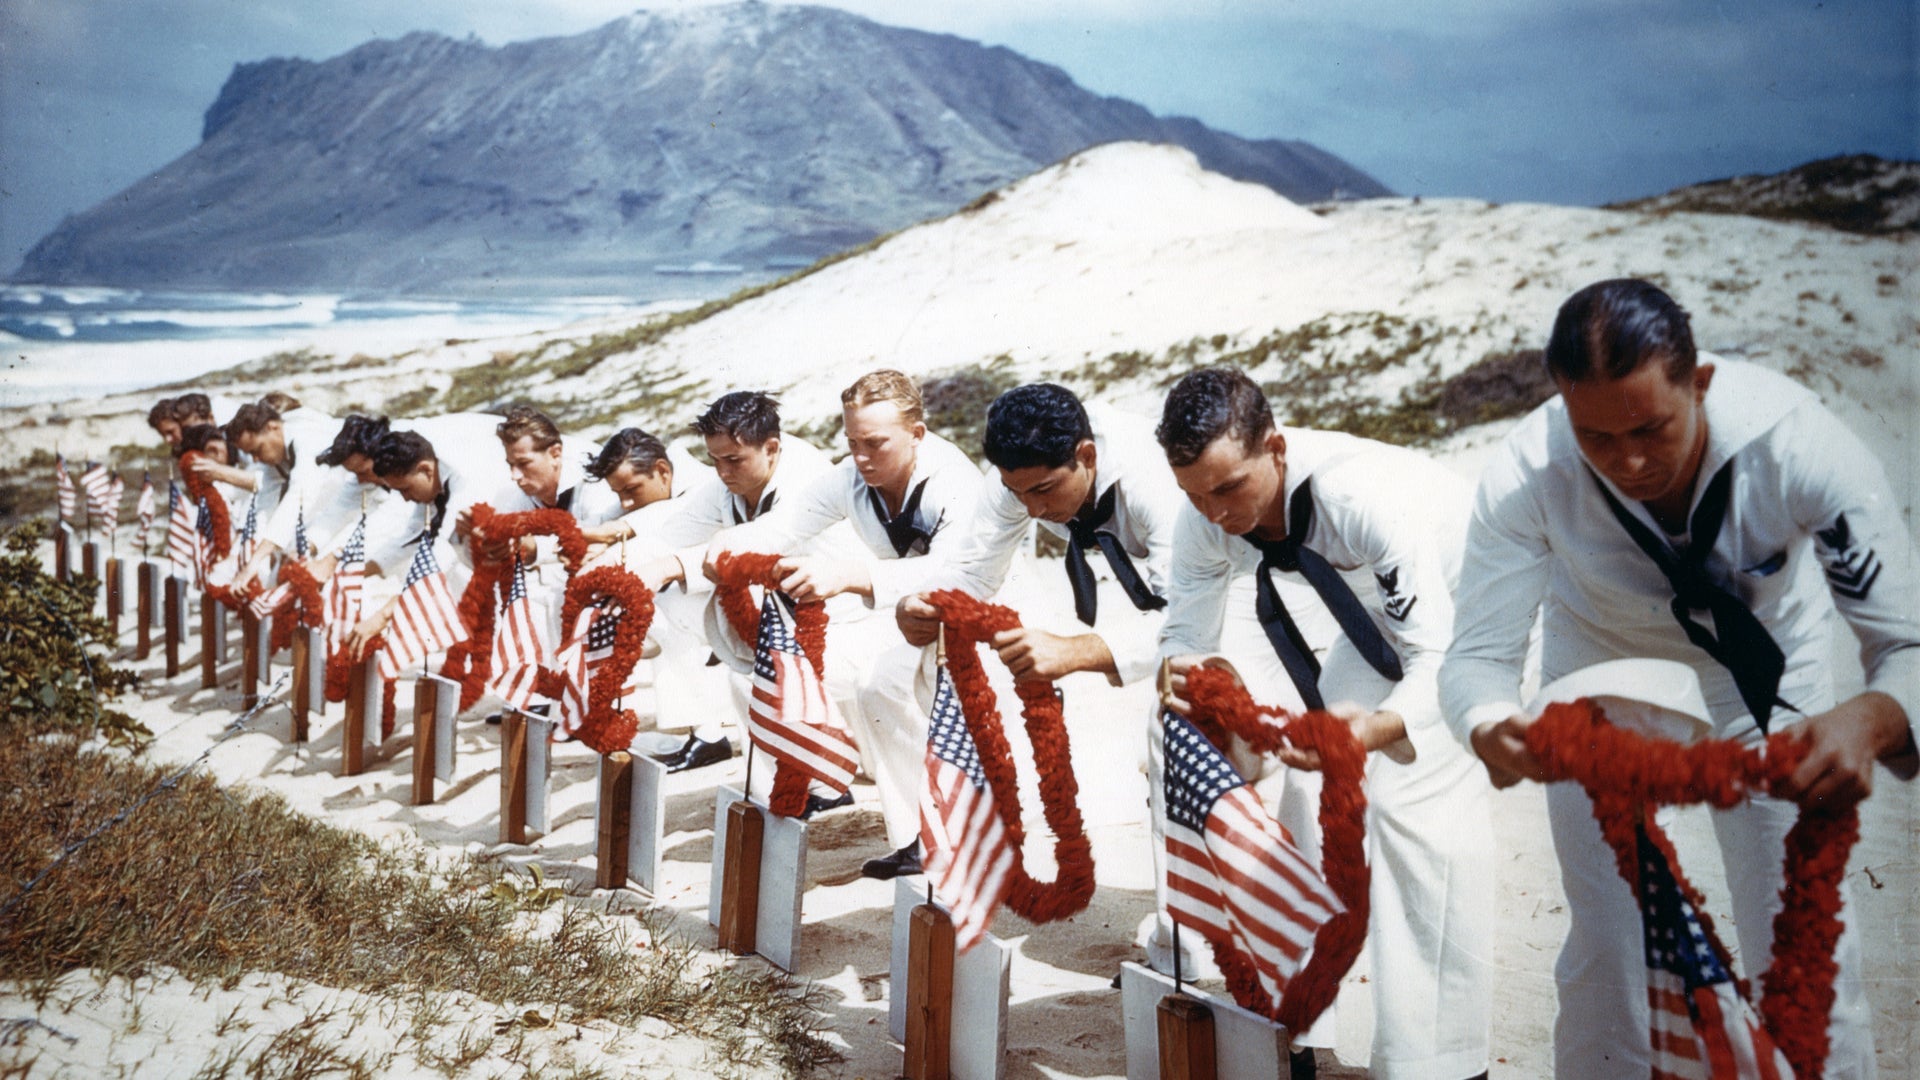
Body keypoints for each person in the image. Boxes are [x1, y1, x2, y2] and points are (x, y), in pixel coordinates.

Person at [1441, 278, 1917, 1079]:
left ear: (1700, 383)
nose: (1628, 461)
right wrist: (1491, 724)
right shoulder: (1526, 470)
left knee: (1806, 957)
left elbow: (1907, 640)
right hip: (1599, 679)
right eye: (1596, 437)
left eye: (1651, 429)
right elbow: (1477, 659)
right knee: (1609, 956)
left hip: (1766, 684)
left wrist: (1868, 719)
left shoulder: (1795, 444)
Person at [1156, 367, 1494, 1080]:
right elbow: (1185, 630)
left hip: (1477, 605)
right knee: (1306, 795)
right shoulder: (1205, 511)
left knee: (1410, 817)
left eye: (1228, 489)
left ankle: (1443, 1061)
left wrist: (1370, 731)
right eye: (1194, 495)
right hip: (1376, 613)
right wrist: (1189, 675)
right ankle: (1305, 1026)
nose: (1214, 513)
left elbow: (1436, 655)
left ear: (1275, 449)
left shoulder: (1359, 496)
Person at [878, 382, 1181, 880]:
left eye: (1043, 491)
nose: (1033, 511)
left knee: (1186, 744)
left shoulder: (1154, 478)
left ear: (1087, 456)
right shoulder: (1018, 479)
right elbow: (975, 572)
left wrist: (1080, 650)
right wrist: (925, 603)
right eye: (1018, 494)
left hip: (1262, 593)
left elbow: (1192, 617)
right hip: (1182, 602)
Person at [704, 369, 985, 841]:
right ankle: (918, 837)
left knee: (890, 686)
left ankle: (955, 829)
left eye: (875, 443)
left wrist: (850, 576)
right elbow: (786, 524)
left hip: (993, 617)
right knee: (867, 684)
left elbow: (958, 572)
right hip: (917, 618)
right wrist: (728, 545)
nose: (860, 457)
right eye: (852, 442)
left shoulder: (954, 481)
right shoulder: (850, 477)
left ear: (917, 434)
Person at [607, 391, 843, 772]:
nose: (722, 472)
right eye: (714, 461)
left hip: (841, 613)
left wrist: (667, 567)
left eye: (733, 460)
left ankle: (810, 777)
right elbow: (674, 531)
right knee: (672, 606)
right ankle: (719, 741)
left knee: (751, 681)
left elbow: (766, 539)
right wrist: (609, 571)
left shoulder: (806, 474)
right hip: (783, 609)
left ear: (771, 448)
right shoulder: (731, 478)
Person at [224, 401, 350, 591]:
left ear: (272, 427)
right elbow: (265, 506)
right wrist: (250, 558)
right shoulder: (276, 447)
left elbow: (299, 496)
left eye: (257, 450)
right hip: (332, 514)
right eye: (250, 454)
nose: (256, 459)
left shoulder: (309, 435)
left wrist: (256, 560)